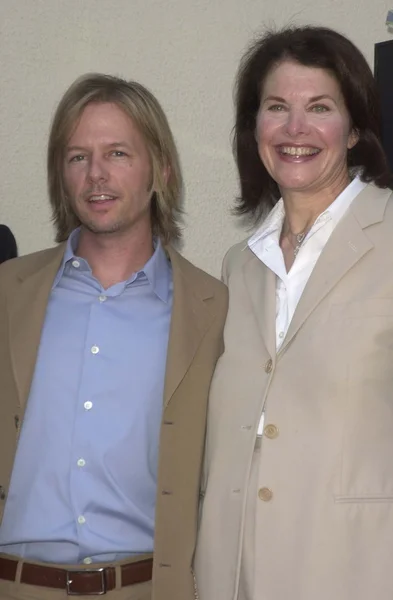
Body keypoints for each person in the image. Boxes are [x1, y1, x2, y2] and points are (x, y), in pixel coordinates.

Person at [0, 73, 228, 600]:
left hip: (145, 587)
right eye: (78, 157)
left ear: (161, 170)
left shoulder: (214, 311)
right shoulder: (9, 292)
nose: (96, 175)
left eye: (118, 153)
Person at [194, 25, 393, 600]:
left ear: (354, 128)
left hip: (359, 573)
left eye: (320, 108)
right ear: (253, 127)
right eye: (276, 107)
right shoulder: (238, 265)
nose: (295, 129)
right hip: (236, 577)